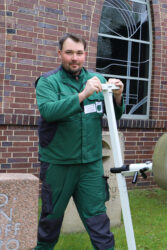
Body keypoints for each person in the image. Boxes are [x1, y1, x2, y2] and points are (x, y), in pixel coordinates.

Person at [34, 33, 124, 250]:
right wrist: (82, 95)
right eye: (69, 53)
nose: (74, 58)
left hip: (90, 166)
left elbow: (113, 116)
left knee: (99, 221)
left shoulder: (98, 80)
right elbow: (48, 111)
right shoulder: (47, 82)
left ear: (85, 54)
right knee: (50, 219)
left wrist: (118, 95)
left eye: (79, 53)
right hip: (58, 165)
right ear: (60, 54)